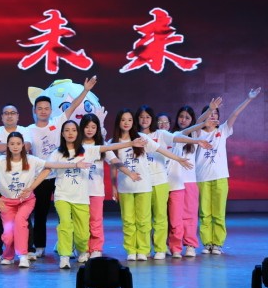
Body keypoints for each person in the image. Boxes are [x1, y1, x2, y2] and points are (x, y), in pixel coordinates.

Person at [0, 131, 84, 268]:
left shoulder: (31, 160)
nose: (15, 146)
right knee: (8, 234)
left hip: (26, 201)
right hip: (7, 203)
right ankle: (8, 255)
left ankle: (23, 255)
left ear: (23, 145)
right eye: (12, 144)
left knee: (20, 222)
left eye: (18, 143)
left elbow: (52, 165)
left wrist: (75, 165)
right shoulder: (0, 161)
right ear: (7, 145)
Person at [21, 120, 146, 269]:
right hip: (62, 196)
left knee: (82, 233)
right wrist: (31, 187)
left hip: (81, 198)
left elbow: (109, 147)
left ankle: (82, 250)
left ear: (78, 133)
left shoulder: (87, 150)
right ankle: (64, 256)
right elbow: (46, 170)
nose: (70, 133)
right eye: (67, 130)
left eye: (73, 130)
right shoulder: (57, 153)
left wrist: (131, 143)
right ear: (62, 134)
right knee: (65, 225)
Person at [26, 76, 99, 258]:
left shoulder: (58, 122)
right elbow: (25, 147)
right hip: (43, 176)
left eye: (46, 108)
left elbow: (73, 106)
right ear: (34, 110)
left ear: (51, 110)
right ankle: (39, 246)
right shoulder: (28, 130)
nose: (43, 111)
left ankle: (68, 246)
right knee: (41, 213)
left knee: (66, 215)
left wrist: (86, 90)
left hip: (63, 175)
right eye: (40, 108)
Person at [111, 109, 192, 261]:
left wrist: (179, 159)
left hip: (147, 184)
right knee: (129, 220)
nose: (126, 123)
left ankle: (155, 248)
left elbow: (161, 149)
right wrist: (113, 186)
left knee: (152, 218)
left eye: (129, 120)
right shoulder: (112, 142)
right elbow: (113, 165)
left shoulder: (142, 138)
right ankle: (132, 250)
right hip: (125, 187)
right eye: (123, 120)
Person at [136, 105, 212, 259]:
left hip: (176, 184)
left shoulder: (171, 135)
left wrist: (198, 138)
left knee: (177, 219)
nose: (163, 124)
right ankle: (157, 246)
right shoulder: (146, 137)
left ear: (170, 124)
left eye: (166, 122)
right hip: (155, 183)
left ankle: (178, 247)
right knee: (153, 217)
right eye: (160, 122)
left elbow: (186, 133)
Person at [195, 88, 262, 255]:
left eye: (215, 113)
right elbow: (198, 121)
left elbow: (235, 114)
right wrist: (209, 109)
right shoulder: (198, 132)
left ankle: (217, 244)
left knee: (218, 213)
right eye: (210, 113)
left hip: (220, 177)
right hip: (202, 178)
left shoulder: (222, 130)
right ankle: (207, 243)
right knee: (204, 213)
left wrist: (249, 98)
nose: (213, 116)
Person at [78, 113, 141, 259]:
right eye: (87, 127)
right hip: (78, 192)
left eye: (93, 127)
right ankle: (82, 249)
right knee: (81, 222)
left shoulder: (103, 145)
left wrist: (129, 173)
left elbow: (115, 161)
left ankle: (96, 248)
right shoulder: (76, 145)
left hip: (96, 191)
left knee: (95, 221)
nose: (90, 130)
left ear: (97, 129)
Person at [0, 104, 32, 261]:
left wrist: (6, 148)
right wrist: (14, 147)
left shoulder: (25, 130)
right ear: (2, 117)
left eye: (13, 113)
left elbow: (27, 146)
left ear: (18, 116)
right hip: (0, 184)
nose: (10, 115)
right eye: (6, 113)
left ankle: (28, 249)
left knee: (24, 219)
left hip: (22, 184)